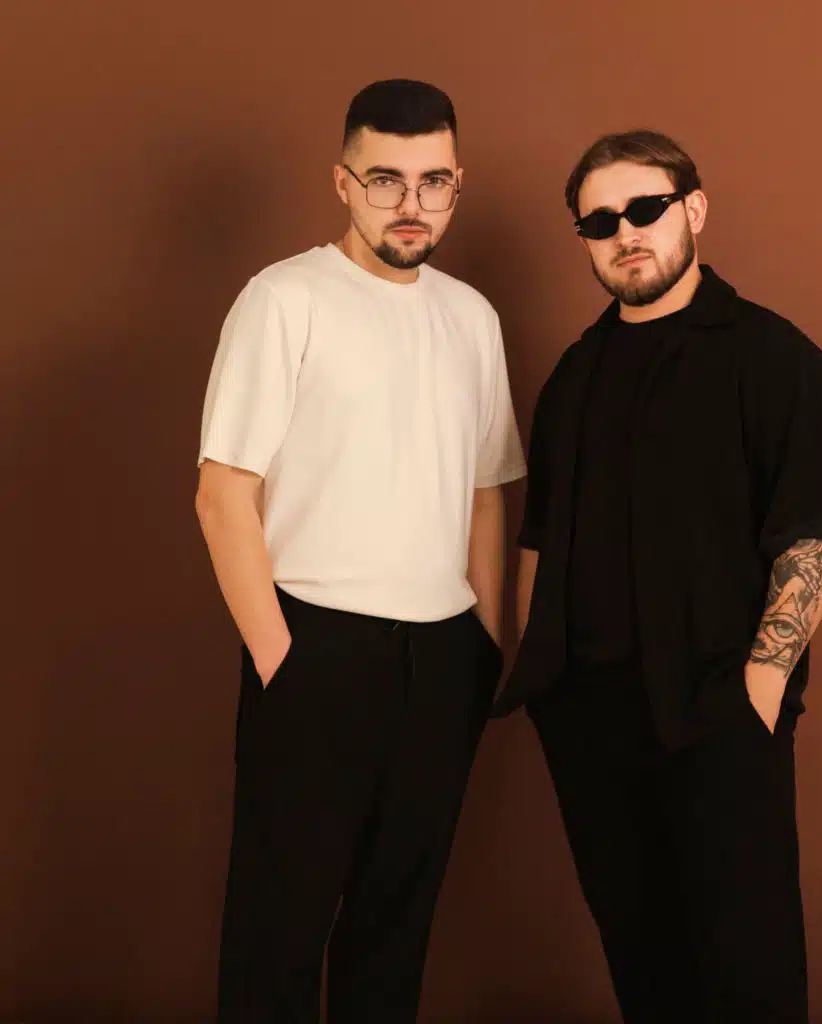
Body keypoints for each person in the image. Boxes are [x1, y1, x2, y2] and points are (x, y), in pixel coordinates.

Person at [494, 129, 822, 1022]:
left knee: (750, 977)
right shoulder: (574, 376)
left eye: (645, 209)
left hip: (720, 712)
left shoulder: (777, 359)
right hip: (590, 722)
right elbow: (539, 541)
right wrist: (544, 685)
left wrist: (760, 688)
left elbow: (812, 537)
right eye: (600, 221)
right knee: (644, 973)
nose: (625, 233)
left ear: (693, 209)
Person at [195, 78, 525, 1022]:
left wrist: (485, 640)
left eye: (432, 182)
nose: (410, 204)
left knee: (396, 924)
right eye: (385, 180)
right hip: (315, 644)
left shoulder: (472, 317)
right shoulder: (284, 299)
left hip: (443, 655)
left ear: (457, 185)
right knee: (279, 929)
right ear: (343, 182)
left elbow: (487, 491)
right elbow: (223, 495)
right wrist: (281, 660)